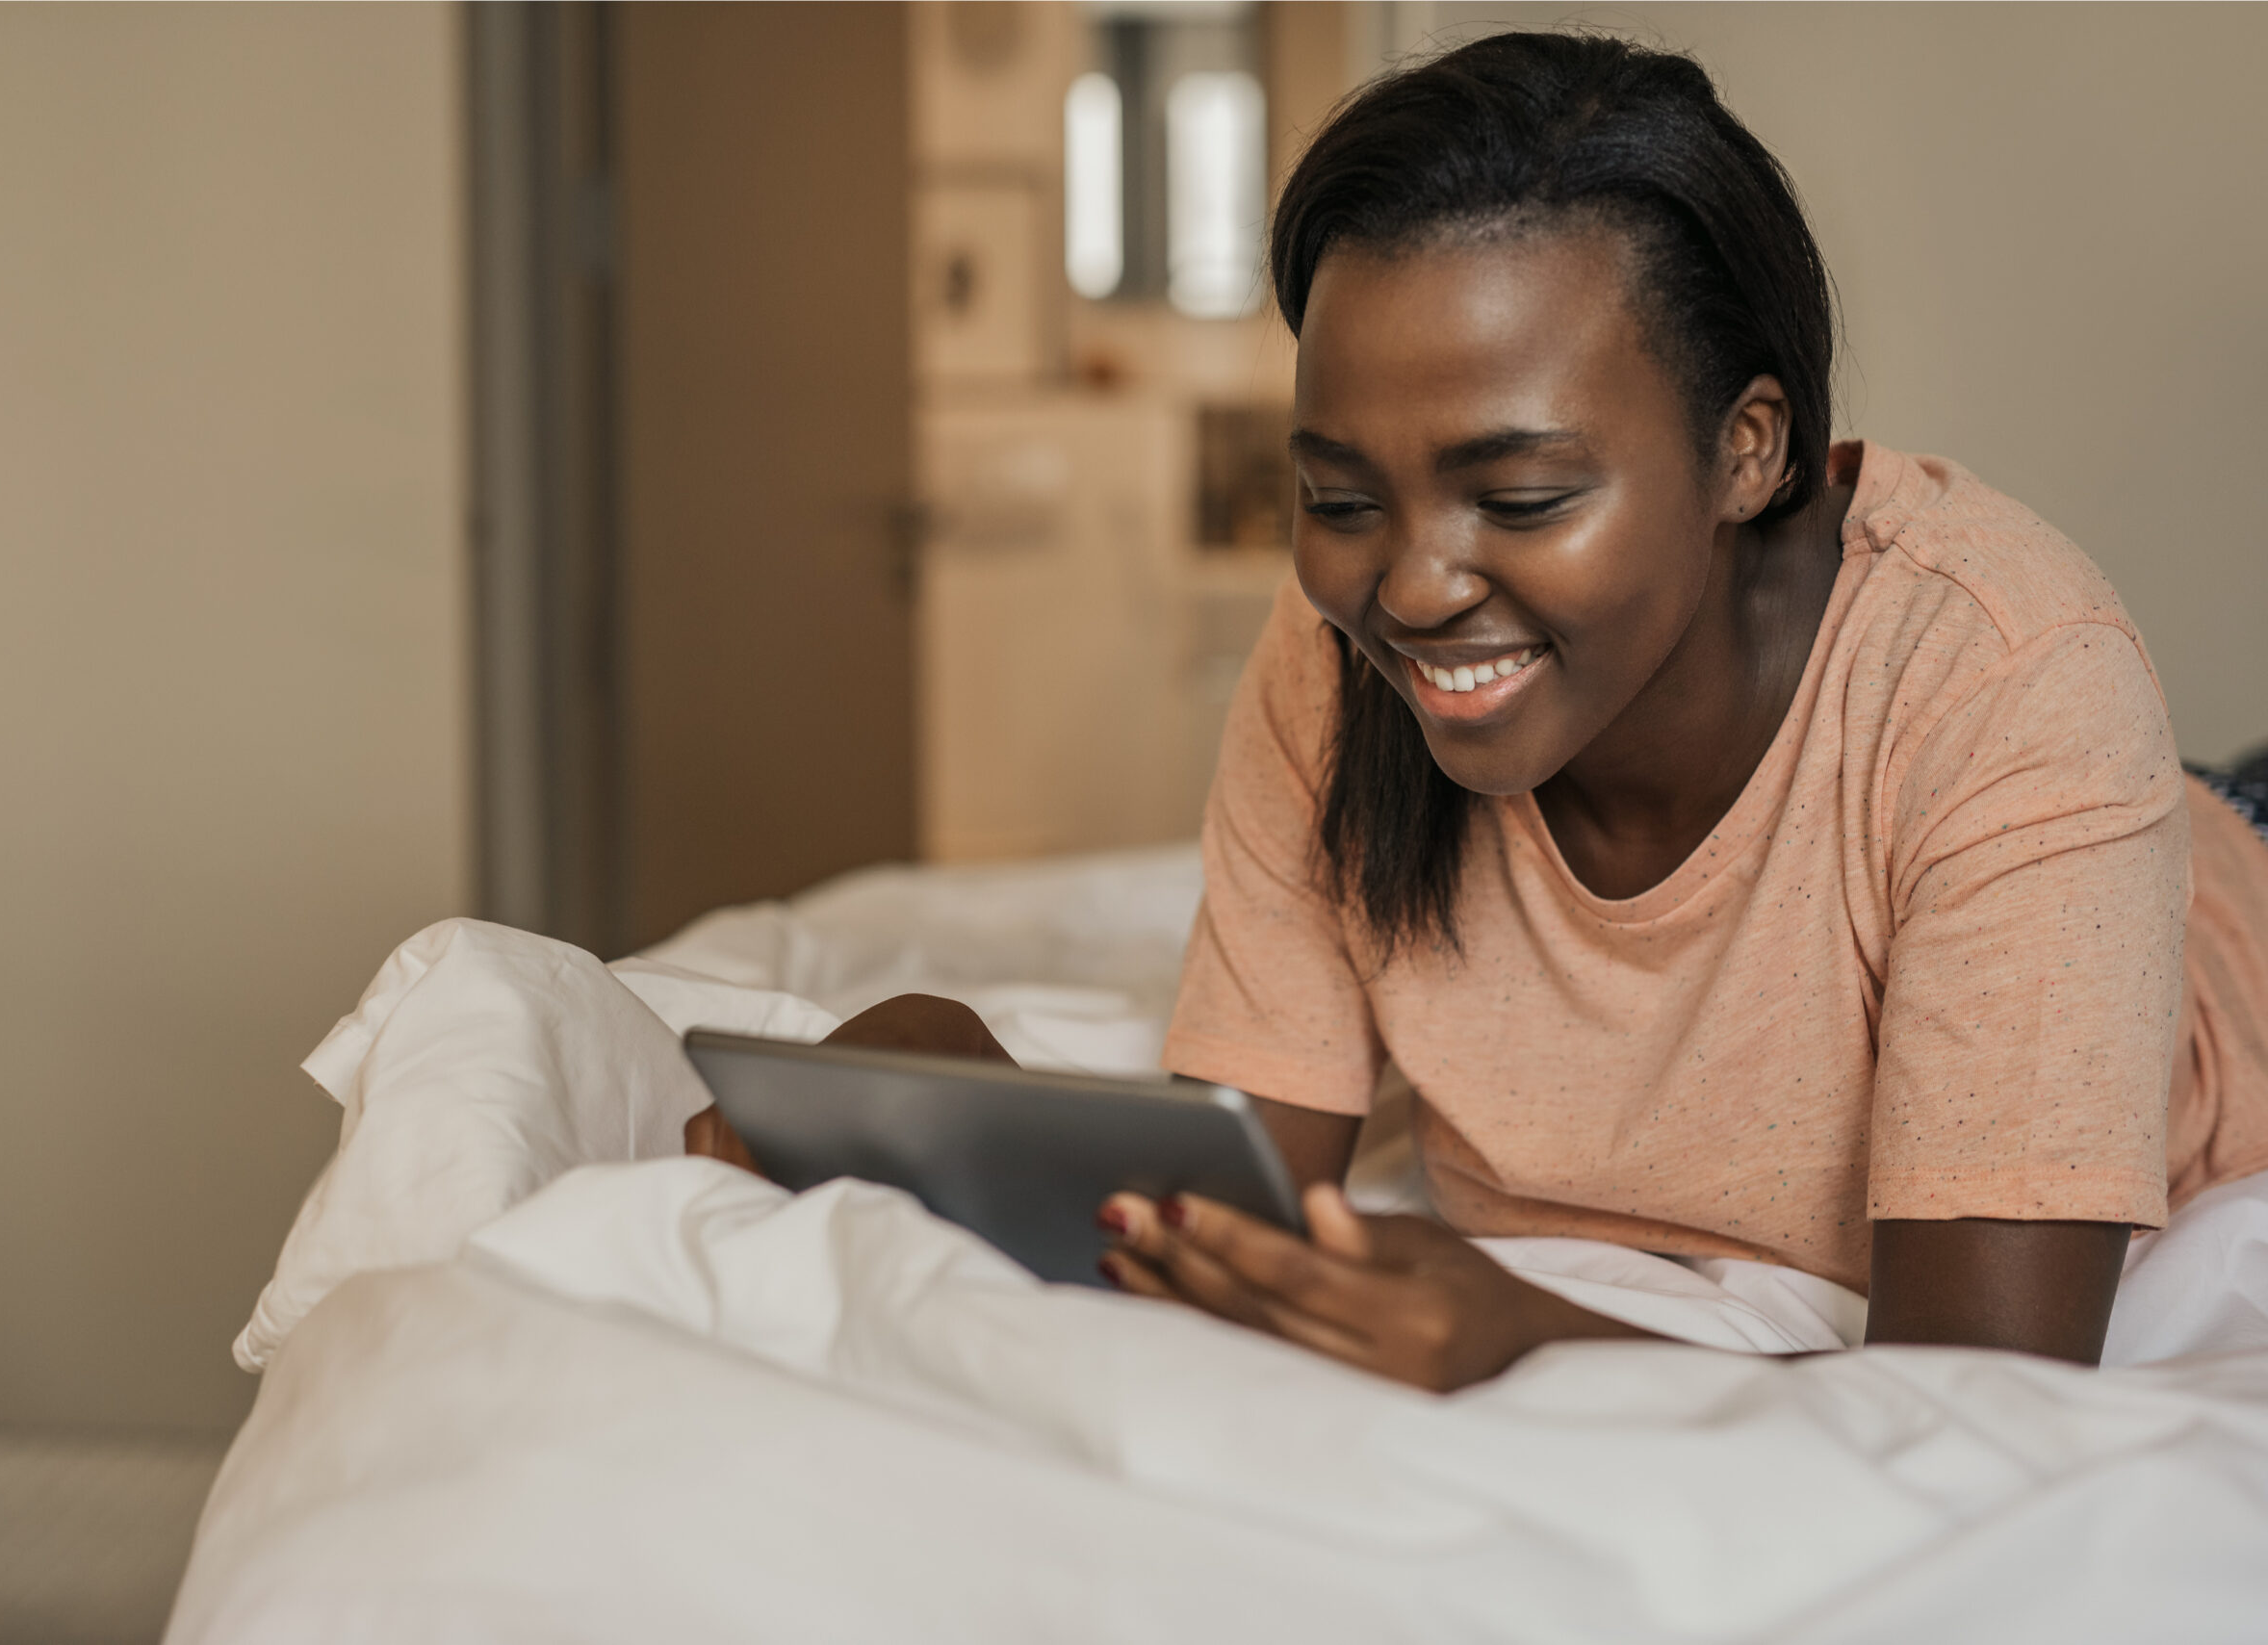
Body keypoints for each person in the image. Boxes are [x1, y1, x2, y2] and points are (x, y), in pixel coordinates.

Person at [696, 31, 2268, 1392]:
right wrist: (946, 1098)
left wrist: (1536, 1333)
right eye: (1338, 494)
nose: (1415, 585)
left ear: (1748, 449)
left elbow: (1978, 1394)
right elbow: (1253, 1197)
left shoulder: (2006, 682)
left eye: (1518, 494)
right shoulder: (1334, 660)